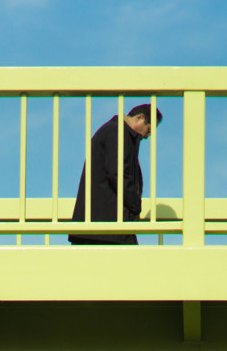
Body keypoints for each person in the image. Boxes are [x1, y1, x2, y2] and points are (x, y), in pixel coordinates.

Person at [68, 104, 163, 245]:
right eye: (148, 130)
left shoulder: (114, 132)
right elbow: (118, 173)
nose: (147, 136)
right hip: (105, 229)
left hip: (101, 227)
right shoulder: (116, 132)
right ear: (140, 118)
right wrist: (135, 204)